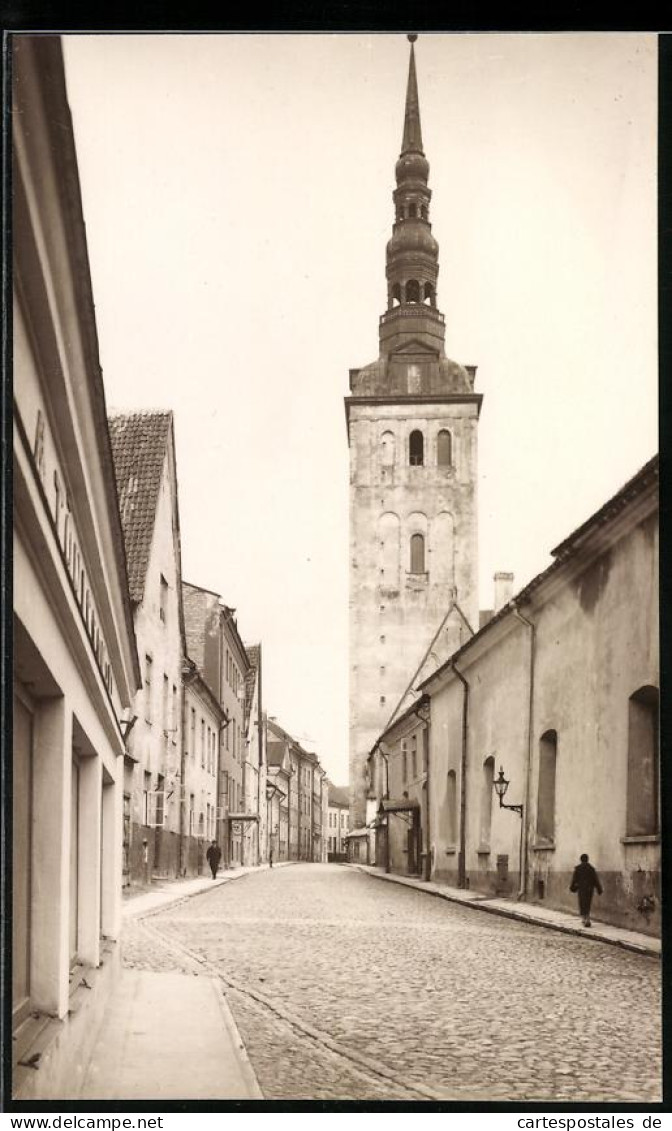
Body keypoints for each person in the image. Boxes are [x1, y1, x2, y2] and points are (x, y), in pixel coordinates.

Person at [570, 853, 603, 927]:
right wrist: (599, 889)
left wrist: (572, 887)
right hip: (589, 889)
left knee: (582, 903)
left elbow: (574, 879)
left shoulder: (578, 868)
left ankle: (584, 918)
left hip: (581, 889)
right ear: (587, 860)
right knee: (588, 903)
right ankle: (587, 918)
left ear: (581, 860)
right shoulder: (591, 868)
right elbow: (595, 879)